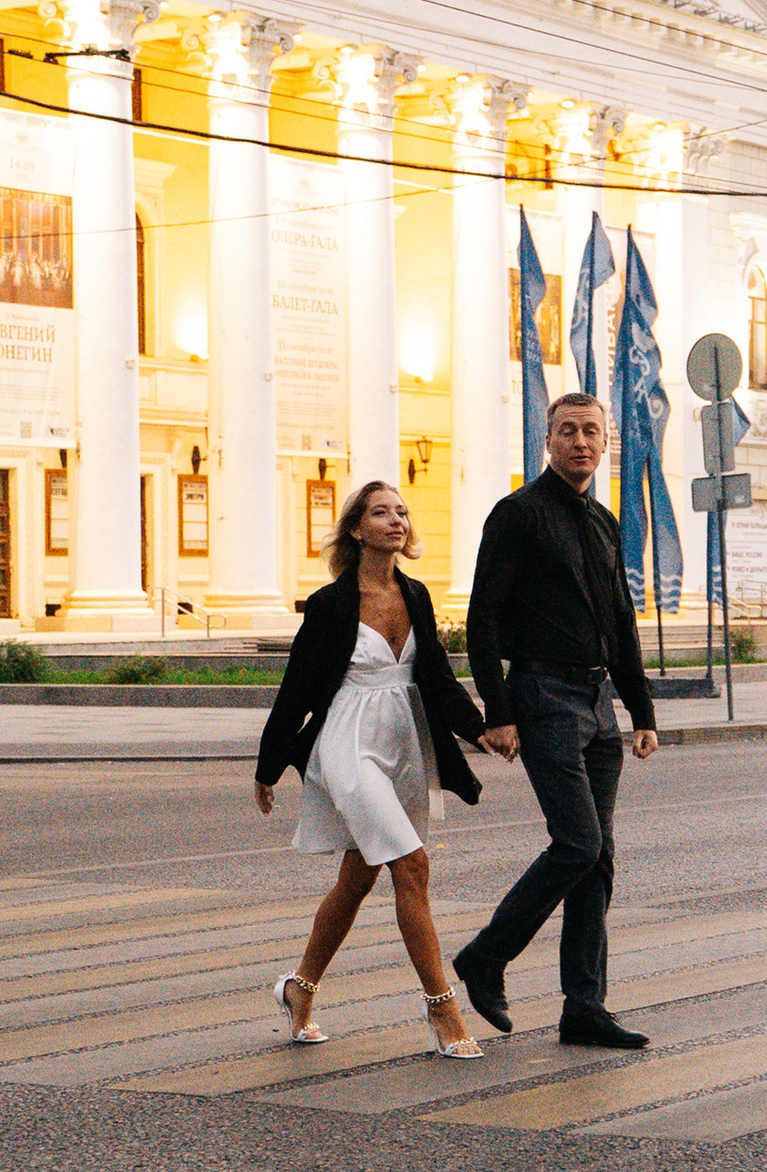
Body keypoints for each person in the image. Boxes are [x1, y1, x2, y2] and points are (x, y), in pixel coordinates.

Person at [254, 481, 502, 1059]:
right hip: (349, 741)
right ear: (357, 529)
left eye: (402, 512)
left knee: (359, 876)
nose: (396, 520)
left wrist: (481, 729)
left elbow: (436, 677)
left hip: (404, 742)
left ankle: (300, 988)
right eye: (381, 512)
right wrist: (268, 764)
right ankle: (442, 1008)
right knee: (412, 864)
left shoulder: (416, 594)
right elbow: (297, 687)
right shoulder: (330, 603)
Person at [452, 390, 660, 1051]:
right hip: (542, 694)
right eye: (567, 430)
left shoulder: (602, 521)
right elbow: (482, 618)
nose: (580, 442)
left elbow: (620, 621)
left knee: (598, 858)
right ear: (548, 440)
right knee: (578, 844)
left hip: (598, 704)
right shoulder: (518, 514)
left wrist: (641, 710)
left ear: (604, 443)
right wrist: (498, 712)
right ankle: (486, 956)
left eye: (591, 431)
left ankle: (584, 1007)